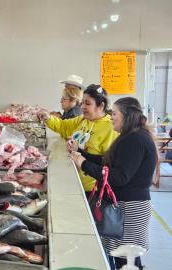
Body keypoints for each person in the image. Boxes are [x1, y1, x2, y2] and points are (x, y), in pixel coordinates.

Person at [69, 97, 157, 270]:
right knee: (123, 258)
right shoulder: (129, 137)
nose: (111, 117)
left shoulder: (135, 140)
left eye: (114, 113)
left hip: (130, 208)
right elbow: (107, 162)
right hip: (124, 206)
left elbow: (118, 177)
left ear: (127, 115)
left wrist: (84, 164)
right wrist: (80, 153)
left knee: (127, 260)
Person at [38, 84, 118, 192]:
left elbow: (109, 162)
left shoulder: (111, 128)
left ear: (101, 106)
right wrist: (48, 118)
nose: (82, 107)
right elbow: (63, 126)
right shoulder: (82, 119)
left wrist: (82, 152)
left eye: (88, 103)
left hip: (93, 188)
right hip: (75, 179)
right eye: (83, 103)